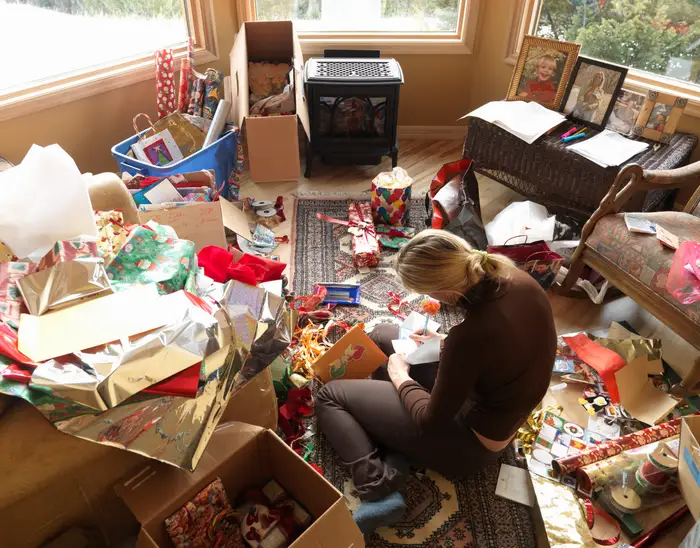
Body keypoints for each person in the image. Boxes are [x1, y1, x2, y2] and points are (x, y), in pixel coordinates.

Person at [316, 230, 557, 534]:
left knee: (330, 395)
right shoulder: (517, 279)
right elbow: (500, 349)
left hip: (472, 446)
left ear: (443, 290)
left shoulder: (469, 336)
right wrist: (442, 342)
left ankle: (377, 489)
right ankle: (393, 446)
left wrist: (400, 376)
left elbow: (431, 419)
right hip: (495, 402)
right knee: (385, 336)